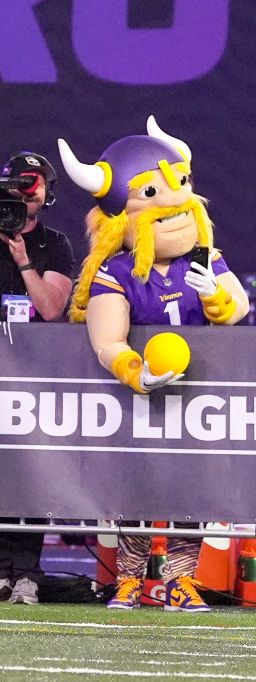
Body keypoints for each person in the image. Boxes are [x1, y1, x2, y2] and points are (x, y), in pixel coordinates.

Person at [60, 117, 250, 611]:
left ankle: (180, 580)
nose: (177, 209)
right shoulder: (116, 271)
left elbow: (240, 307)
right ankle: (129, 577)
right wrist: (132, 370)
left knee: (194, 487)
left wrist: (217, 302)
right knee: (137, 484)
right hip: (140, 395)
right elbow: (106, 336)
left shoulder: (206, 258)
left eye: (182, 188)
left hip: (198, 392)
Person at [0, 150, 74, 605]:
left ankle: (26, 573)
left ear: (47, 193)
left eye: (33, 185)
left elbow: (51, 308)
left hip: (31, 375)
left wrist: (24, 260)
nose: (23, 194)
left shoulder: (55, 244)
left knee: (29, 474)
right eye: (16, 184)